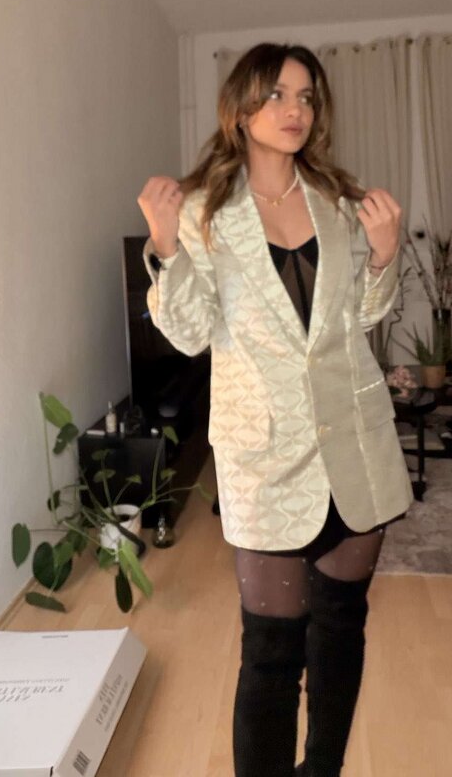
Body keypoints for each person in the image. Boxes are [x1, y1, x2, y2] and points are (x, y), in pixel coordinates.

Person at [137, 43, 414, 777]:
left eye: (306, 97)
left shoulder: (338, 203)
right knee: (269, 654)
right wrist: (165, 247)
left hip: (353, 444)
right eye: (277, 95)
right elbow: (189, 333)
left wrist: (384, 255)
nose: (295, 110)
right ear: (241, 107)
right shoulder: (201, 212)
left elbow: (363, 317)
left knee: (341, 631)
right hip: (265, 457)